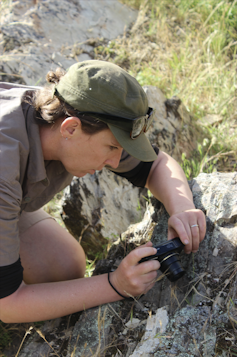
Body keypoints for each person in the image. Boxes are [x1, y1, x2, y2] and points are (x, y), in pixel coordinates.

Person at [0, 60, 206, 323]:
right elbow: (8, 304)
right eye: (111, 147)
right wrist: (115, 285)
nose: (115, 161)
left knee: (62, 265)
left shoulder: (63, 114)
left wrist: (182, 208)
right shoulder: (4, 171)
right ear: (70, 128)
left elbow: (156, 165)